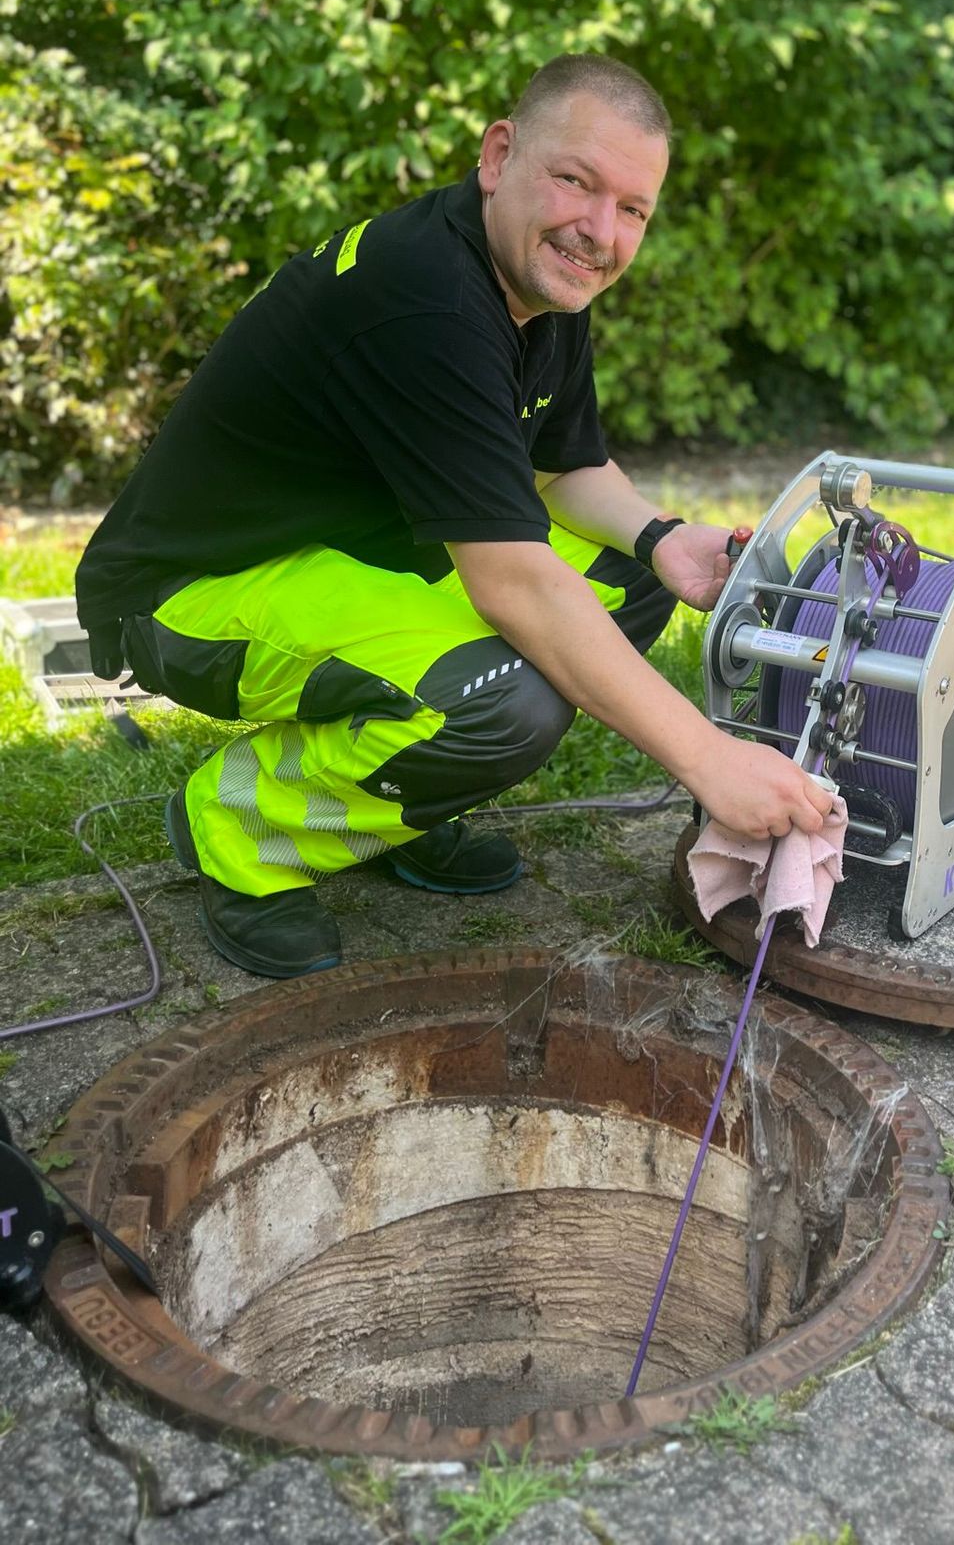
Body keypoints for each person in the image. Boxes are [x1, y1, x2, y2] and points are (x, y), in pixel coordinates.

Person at [76, 54, 831, 979]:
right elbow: (515, 584)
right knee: (505, 700)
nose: (600, 230)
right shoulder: (426, 297)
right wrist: (711, 760)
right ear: (499, 155)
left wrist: (661, 538)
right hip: (193, 590)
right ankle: (235, 827)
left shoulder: (539, 277)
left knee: (626, 580)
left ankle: (395, 803)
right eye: (576, 181)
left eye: (632, 209)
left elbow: (564, 468)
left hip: (358, 556)